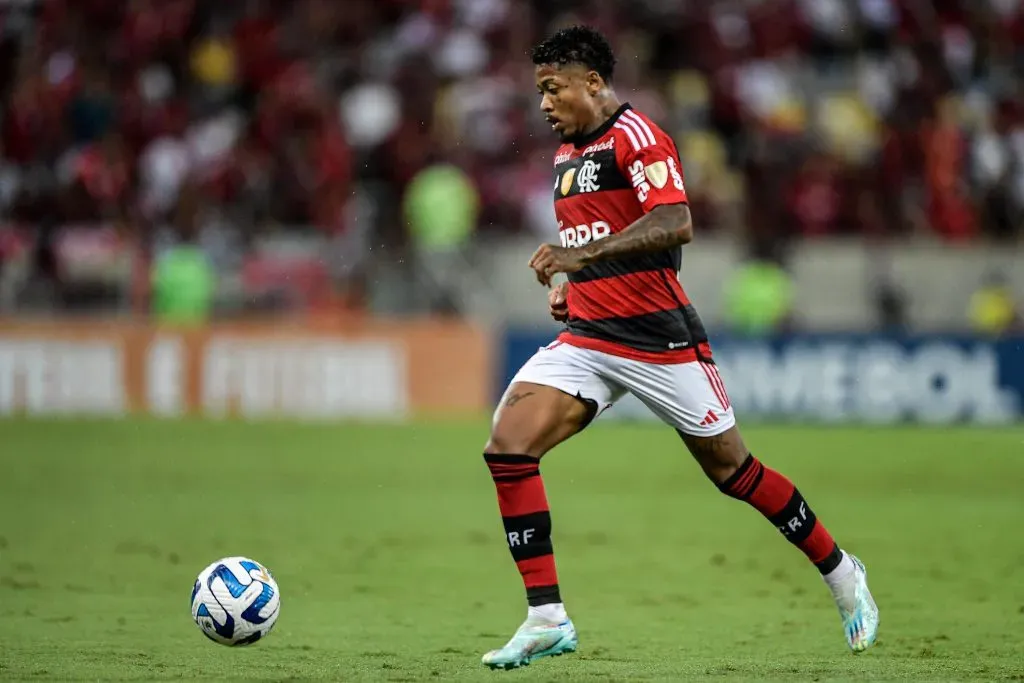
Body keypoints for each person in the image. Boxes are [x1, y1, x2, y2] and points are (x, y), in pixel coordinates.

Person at [480, 26, 879, 670]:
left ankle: (841, 572)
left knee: (735, 473)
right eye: (539, 92)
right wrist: (574, 283)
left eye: (553, 90)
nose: (544, 105)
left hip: (659, 339)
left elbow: (674, 225)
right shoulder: (564, 156)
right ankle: (546, 616)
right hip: (588, 338)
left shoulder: (638, 137)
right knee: (508, 447)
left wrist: (580, 256)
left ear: (593, 83)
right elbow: (614, 238)